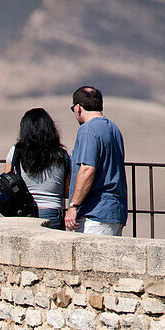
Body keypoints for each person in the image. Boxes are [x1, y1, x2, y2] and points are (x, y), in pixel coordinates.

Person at [66, 86, 127, 235]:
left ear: (78, 108)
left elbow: (87, 169)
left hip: (94, 214)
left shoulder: (88, 130)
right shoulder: (113, 129)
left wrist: (73, 206)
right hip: (115, 211)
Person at [3, 108, 70, 231]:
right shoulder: (62, 154)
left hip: (24, 214)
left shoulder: (16, 152)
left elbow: (6, 182)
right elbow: (67, 192)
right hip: (52, 214)